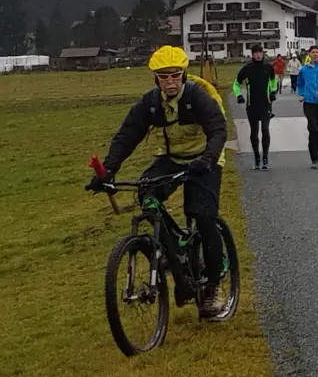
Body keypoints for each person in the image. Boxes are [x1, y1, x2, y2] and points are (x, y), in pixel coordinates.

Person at [88, 46, 229, 318]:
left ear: (184, 75)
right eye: (163, 77)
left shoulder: (198, 97)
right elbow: (127, 135)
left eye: (175, 76)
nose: (170, 82)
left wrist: (209, 158)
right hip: (171, 157)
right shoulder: (151, 103)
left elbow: (218, 128)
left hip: (205, 157)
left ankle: (213, 285)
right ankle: (174, 259)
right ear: (156, 79)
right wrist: (107, 171)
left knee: (202, 214)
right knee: (146, 195)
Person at [235, 45, 279, 171]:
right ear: (252, 55)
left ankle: (265, 157)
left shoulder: (268, 67)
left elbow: (273, 80)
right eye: (256, 53)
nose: (258, 55)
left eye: (260, 53)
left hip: (266, 103)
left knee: (265, 130)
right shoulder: (247, 68)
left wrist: (273, 92)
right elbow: (236, 83)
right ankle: (256, 157)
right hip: (252, 105)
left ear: (263, 54)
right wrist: (239, 95)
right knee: (254, 132)